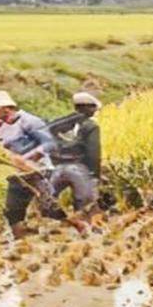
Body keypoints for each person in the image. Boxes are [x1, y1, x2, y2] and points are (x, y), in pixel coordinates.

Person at [0, 90, 85, 238]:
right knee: (13, 210)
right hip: (17, 173)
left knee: (48, 208)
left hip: (39, 170)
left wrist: (27, 158)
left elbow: (49, 143)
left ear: (6, 107)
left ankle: (79, 226)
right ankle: (21, 243)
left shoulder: (29, 121)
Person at [47, 91, 103, 223]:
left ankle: (54, 226)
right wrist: (95, 174)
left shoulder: (60, 124)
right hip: (79, 168)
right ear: (88, 108)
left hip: (57, 169)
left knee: (48, 199)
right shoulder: (91, 126)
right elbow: (93, 151)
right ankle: (83, 231)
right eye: (93, 108)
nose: (95, 111)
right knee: (85, 205)